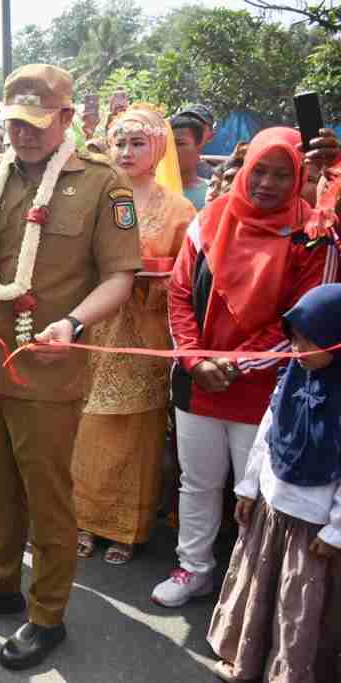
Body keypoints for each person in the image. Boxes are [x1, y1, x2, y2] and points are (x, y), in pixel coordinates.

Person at [0, 64, 139, 671]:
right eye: (14, 123)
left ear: (67, 118)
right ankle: (0, 583)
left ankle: (47, 612)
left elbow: (120, 277)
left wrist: (74, 323)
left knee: (47, 498)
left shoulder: (102, 184)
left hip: (50, 372)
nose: (22, 134)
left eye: (35, 122)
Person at [153, 126, 334, 608]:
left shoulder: (313, 234)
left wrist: (234, 366)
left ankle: (248, 588)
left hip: (266, 391)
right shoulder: (209, 219)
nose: (267, 183)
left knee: (258, 492)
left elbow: (302, 319)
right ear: (245, 168)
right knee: (198, 482)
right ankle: (193, 568)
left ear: (299, 177)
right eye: (259, 171)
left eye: (282, 174)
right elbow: (178, 295)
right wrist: (194, 359)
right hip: (198, 382)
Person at [72, 106, 196, 565]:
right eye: (119, 142)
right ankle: (83, 519)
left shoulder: (179, 209)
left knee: (137, 431)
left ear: (157, 148)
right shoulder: (96, 197)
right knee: (88, 425)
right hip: (96, 327)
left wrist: (151, 277)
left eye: (137, 143)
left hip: (144, 332)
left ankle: (128, 528)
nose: (126, 151)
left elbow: (188, 278)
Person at [207, 284, 341, 683]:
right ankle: (247, 662)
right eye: (293, 338)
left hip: (313, 527)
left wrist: (336, 531)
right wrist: (249, 489)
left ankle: (289, 674)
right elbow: (268, 434)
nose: (296, 350)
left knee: (296, 605)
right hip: (271, 511)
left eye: (308, 341)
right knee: (261, 592)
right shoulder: (292, 378)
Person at [171, 115, 210, 211]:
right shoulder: (152, 191)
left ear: (199, 146)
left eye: (180, 144)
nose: (172, 150)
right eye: (169, 144)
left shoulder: (211, 193)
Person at [177, 103, 217, 179]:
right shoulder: (160, 163)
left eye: (198, 127)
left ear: (210, 136)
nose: (189, 129)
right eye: (184, 122)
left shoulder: (210, 176)